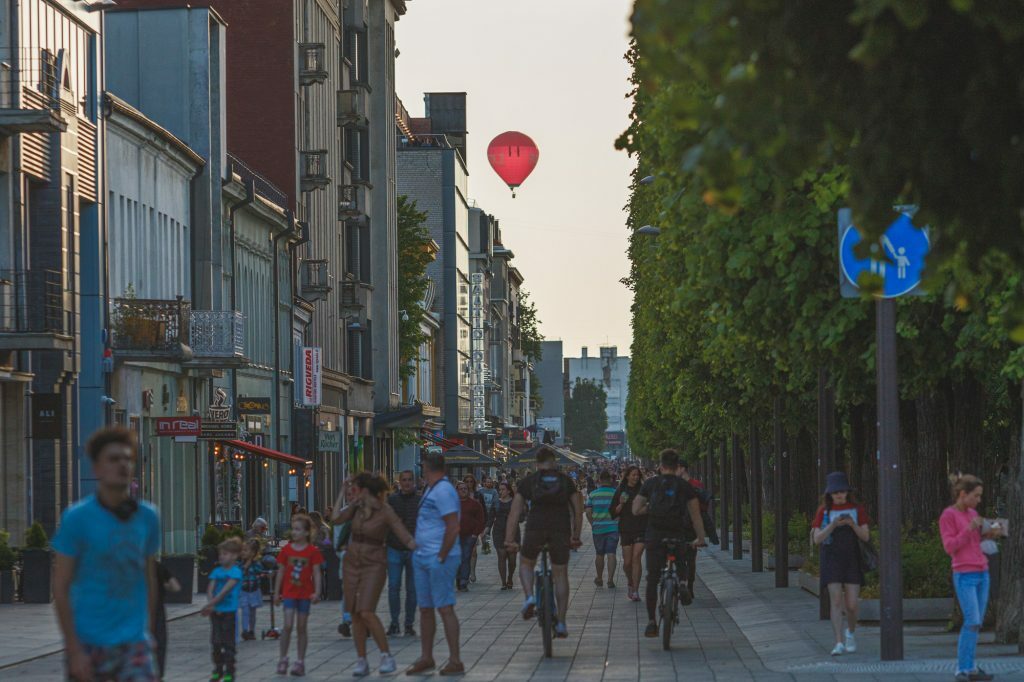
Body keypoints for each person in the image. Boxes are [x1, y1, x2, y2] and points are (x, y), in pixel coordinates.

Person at [53, 426, 162, 682]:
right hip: (90, 642)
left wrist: (147, 632)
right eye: (114, 459)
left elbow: (148, 578)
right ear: (97, 469)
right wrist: (73, 648)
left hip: (134, 643)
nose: (123, 465)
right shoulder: (77, 518)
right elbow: (60, 585)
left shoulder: (148, 517)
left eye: (128, 459)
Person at [330, 473, 416, 677]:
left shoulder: (384, 510)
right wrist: (342, 491)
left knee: (366, 610)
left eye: (356, 489)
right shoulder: (356, 508)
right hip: (352, 563)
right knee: (355, 613)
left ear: (366, 491)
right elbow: (334, 519)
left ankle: (386, 655)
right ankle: (362, 660)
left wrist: (417, 547)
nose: (354, 492)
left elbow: (402, 532)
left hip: (374, 563)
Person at [506, 445, 584, 638]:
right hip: (560, 530)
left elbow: (514, 513)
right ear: (554, 461)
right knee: (560, 574)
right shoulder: (566, 481)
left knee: (526, 563)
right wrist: (575, 536)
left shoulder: (528, 482)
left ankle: (529, 597)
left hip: (535, 528)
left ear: (536, 463)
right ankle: (562, 623)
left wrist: (509, 540)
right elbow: (578, 510)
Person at [631, 448, 706, 638]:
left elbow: (635, 510)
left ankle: (651, 622)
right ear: (676, 465)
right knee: (681, 559)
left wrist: (650, 508)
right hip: (677, 533)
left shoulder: (650, 484)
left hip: (655, 534)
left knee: (653, 579)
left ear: (661, 465)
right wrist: (700, 538)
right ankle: (681, 582)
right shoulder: (684, 486)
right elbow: (696, 516)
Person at [406, 451, 464, 676]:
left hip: (439, 557)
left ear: (428, 467)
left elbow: (453, 526)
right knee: (426, 608)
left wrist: (441, 556)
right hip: (423, 556)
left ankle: (455, 659)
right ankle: (426, 656)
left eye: (422, 466)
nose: (421, 470)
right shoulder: (431, 488)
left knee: (445, 607)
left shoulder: (444, 491)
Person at [940, 474, 999, 682]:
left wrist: (990, 532)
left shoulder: (973, 512)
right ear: (963, 494)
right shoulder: (948, 516)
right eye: (976, 495)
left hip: (982, 571)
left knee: (976, 622)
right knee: (972, 620)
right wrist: (969, 528)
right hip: (964, 573)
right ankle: (963, 667)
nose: (979, 500)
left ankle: (969, 667)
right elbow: (950, 546)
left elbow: (975, 541)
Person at [811, 471, 871, 656]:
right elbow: (817, 539)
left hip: (852, 559)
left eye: (842, 492)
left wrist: (852, 524)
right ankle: (838, 641)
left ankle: (850, 633)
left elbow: (866, 536)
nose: (839, 495)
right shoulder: (824, 511)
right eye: (836, 492)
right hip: (831, 559)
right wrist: (833, 524)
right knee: (836, 601)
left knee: (852, 604)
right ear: (829, 494)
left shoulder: (857, 509)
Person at [273, 514, 324, 676]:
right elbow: (280, 572)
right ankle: (283, 658)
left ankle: (300, 661)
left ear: (307, 533)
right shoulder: (286, 550)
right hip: (289, 593)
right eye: (293, 529)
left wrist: (317, 591)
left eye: (298, 529)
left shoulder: (312, 551)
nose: (294, 532)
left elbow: (316, 573)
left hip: (305, 594)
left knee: (302, 627)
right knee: (287, 625)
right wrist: (276, 592)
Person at [202, 537, 243, 682]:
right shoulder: (216, 571)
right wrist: (211, 604)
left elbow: (226, 590)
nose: (221, 556)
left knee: (228, 643)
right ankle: (217, 669)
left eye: (225, 554)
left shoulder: (236, 572)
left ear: (234, 555)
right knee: (216, 642)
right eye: (220, 554)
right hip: (216, 611)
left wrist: (211, 604)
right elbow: (211, 588)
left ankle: (229, 671)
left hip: (229, 612)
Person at [385, 469, 420, 637]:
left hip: (414, 550)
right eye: (404, 480)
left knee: (412, 589)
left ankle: (408, 623)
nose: (406, 483)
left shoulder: (419, 501)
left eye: (409, 480)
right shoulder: (392, 500)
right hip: (394, 548)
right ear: (400, 482)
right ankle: (394, 622)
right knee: (393, 587)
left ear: (414, 481)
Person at [610, 465, 646, 601]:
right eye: (633, 475)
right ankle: (630, 582)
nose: (636, 477)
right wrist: (621, 504)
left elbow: (649, 505)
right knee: (627, 563)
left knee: (636, 558)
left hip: (641, 527)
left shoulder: (643, 490)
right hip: (625, 529)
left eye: (638, 475)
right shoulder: (620, 490)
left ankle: (636, 590)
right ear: (627, 476)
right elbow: (613, 513)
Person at [586, 470, 619, 588]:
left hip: (598, 528)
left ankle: (599, 578)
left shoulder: (593, 494)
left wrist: (592, 523)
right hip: (613, 527)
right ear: (610, 480)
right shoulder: (616, 494)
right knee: (611, 553)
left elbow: (588, 511)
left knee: (599, 554)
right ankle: (610, 579)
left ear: (599, 480)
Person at [153, 558, 181, 678]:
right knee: (159, 643)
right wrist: (164, 585)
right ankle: (158, 675)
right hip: (157, 610)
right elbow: (176, 587)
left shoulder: (132, 566)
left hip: (138, 611)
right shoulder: (158, 566)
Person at [456, 481, 486, 591]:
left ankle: (463, 580)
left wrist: (475, 534)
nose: (463, 490)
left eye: (465, 488)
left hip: (470, 536)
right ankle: (458, 578)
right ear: (457, 491)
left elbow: (481, 520)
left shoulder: (474, 504)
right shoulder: (452, 504)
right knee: (457, 558)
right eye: (461, 489)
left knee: (466, 557)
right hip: (455, 536)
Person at [492, 481, 521, 589]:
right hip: (499, 531)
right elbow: (491, 516)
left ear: (509, 491)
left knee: (512, 559)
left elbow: (522, 518)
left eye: (503, 489)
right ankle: (503, 582)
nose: (500, 491)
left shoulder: (515, 502)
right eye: (499, 489)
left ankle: (510, 577)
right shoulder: (496, 502)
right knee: (502, 556)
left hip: (513, 532)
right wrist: (486, 529)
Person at [238, 538, 267, 640]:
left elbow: (261, 572)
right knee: (245, 611)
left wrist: (264, 575)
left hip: (254, 591)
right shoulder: (240, 564)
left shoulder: (256, 564)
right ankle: (245, 630)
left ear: (253, 553)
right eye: (242, 550)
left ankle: (251, 630)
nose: (243, 552)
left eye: (245, 550)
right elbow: (239, 574)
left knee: (252, 612)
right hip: (244, 591)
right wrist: (246, 565)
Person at [462, 474, 487, 582]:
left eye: (470, 481)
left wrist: (483, 528)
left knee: (473, 551)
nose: (468, 484)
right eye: (466, 481)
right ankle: (464, 572)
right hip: (462, 527)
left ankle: (472, 572)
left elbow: (483, 511)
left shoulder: (478, 495)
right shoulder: (460, 494)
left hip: (474, 527)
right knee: (463, 552)